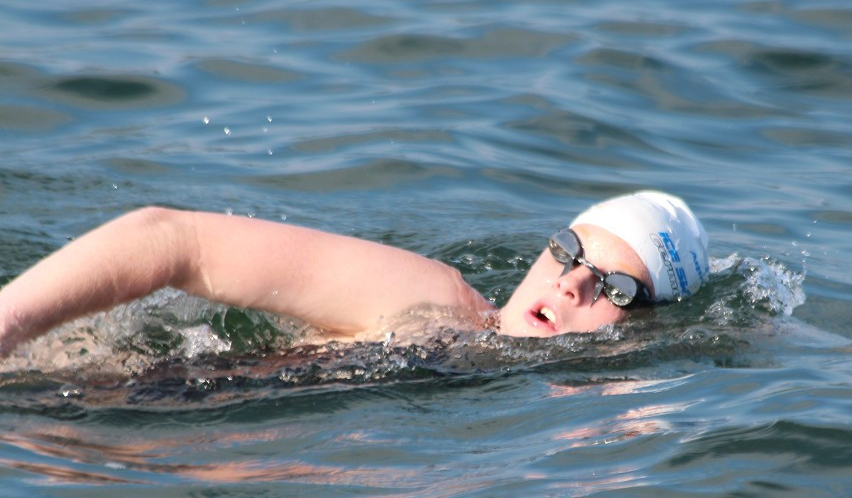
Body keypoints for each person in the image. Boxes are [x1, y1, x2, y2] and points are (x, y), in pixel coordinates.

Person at [0, 190, 709, 356]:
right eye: (567, 251)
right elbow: (170, 237)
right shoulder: (434, 300)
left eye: (616, 289)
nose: (571, 285)